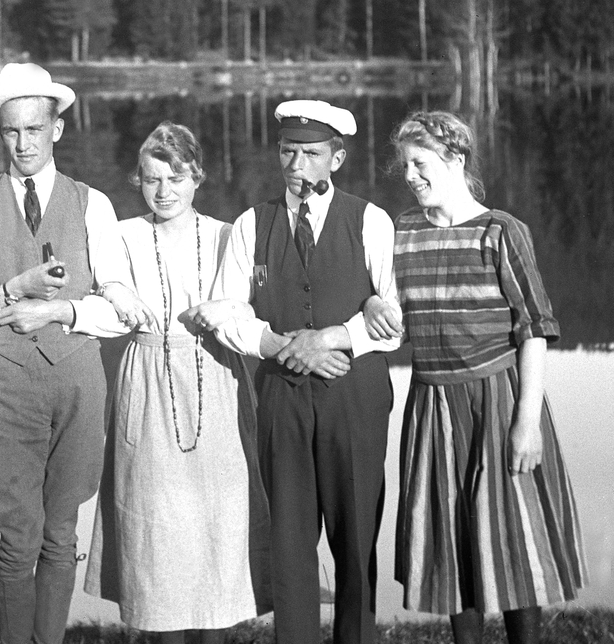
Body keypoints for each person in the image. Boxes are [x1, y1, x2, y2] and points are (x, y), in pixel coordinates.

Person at [0, 62, 148, 644]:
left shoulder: (92, 204)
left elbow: (119, 311)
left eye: (34, 129)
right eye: (11, 132)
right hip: (4, 384)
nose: (23, 144)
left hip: (78, 382)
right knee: (18, 530)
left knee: (61, 529)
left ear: (57, 129)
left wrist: (62, 310)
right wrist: (7, 291)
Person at [363, 110, 587, 644]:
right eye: (405, 167)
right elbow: (385, 307)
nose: (411, 176)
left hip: (499, 400)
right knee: (452, 537)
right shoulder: (403, 233)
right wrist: (373, 300)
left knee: (510, 536)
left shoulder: (500, 231)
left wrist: (526, 422)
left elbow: (533, 328)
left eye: (421, 164)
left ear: (455, 160)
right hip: (433, 404)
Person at [207, 99, 401, 644]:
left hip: (355, 395)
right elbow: (227, 310)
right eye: (288, 152)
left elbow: (395, 318)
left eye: (311, 154)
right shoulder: (252, 223)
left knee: (356, 533)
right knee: (289, 542)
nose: (297, 165)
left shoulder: (370, 220)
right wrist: (272, 344)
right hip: (280, 395)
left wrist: (332, 339)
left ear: (336, 158)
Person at [84, 122, 272, 641]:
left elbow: (248, 307)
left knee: (216, 522)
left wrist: (232, 308)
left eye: (176, 178)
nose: (164, 191)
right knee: (157, 525)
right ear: (138, 181)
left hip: (215, 377)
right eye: (151, 179)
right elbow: (107, 292)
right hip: (146, 379)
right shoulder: (119, 235)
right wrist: (116, 291)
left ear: (198, 178)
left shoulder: (226, 235)